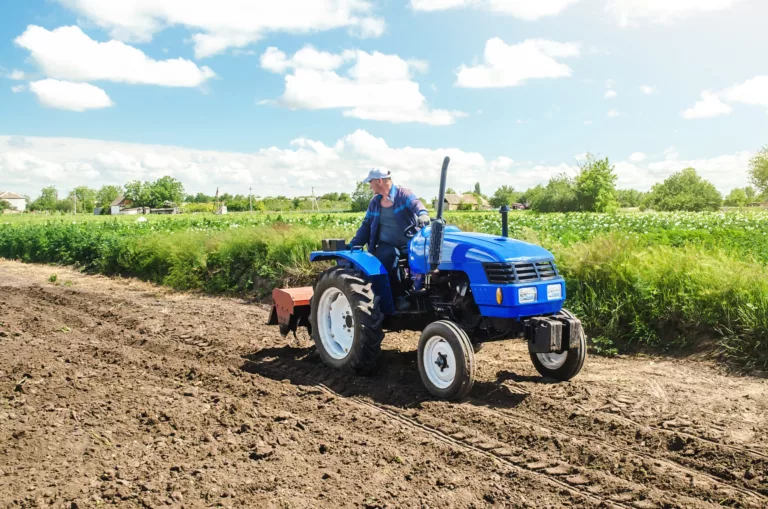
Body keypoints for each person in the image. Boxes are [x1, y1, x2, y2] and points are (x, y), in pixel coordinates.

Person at [350, 168, 430, 310]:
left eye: (370, 182)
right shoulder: (375, 203)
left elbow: (416, 203)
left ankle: (423, 292)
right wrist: (353, 244)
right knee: (388, 255)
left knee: (427, 259)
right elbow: (366, 225)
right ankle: (397, 298)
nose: (370, 186)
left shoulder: (403, 194)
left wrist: (423, 214)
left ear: (379, 181)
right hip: (387, 244)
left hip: (409, 244)